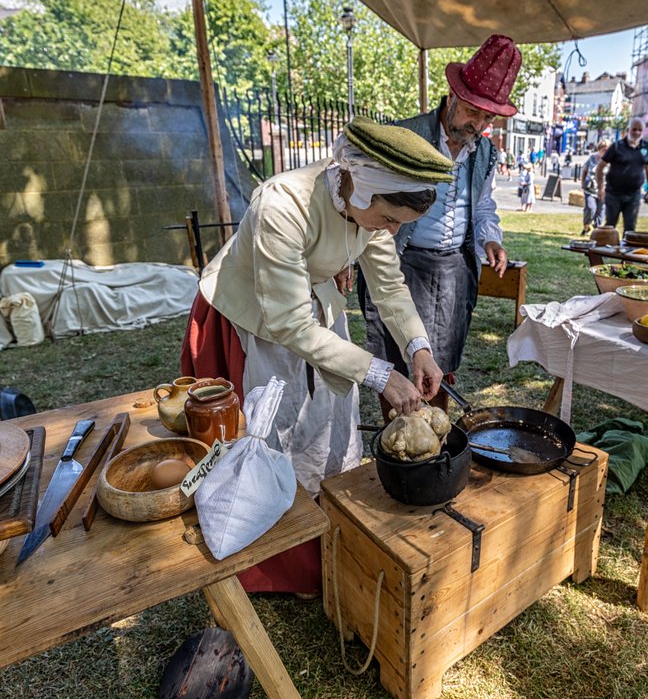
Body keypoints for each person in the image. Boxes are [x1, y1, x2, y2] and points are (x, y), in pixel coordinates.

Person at [180, 116, 452, 594]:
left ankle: (328, 540)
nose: (390, 230)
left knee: (328, 421)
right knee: (273, 433)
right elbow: (287, 322)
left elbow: (389, 286)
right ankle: (273, 563)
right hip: (253, 320)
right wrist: (381, 375)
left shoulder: (372, 213)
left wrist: (418, 348)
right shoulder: (282, 204)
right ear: (364, 191)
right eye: (389, 219)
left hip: (313, 308)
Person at [358, 33, 521, 415]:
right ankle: (395, 434)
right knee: (397, 356)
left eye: (486, 117)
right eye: (471, 112)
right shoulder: (403, 136)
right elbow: (366, 197)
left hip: (452, 270)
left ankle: (438, 438)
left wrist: (491, 239)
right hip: (400, 261)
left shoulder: (485, 152)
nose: (477, 124)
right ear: (451, 97)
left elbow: (482, 206)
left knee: (441, 362)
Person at [595, 118, 648, 231]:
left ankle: (627, 249)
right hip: (614, 193)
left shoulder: (646, 147)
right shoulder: (617, 146)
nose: (636, 133)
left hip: (634, 194)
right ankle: (609, 247)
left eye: (639, 130)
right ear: (628, 130)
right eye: (634, 129)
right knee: (610, 225)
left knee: (630, 227)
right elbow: (600, 167)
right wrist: (600, 188)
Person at [580, 138, 609, 234]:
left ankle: (597, 231)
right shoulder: (592, 157)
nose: (606, 151)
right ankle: (586, 227)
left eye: (608, 149)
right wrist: (583, 183)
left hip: (604, 190)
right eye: (604, 149)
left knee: (601, 212)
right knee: (590, 208)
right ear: (599, 148)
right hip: (590, 189)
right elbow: (584, 170)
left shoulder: (611, 161)